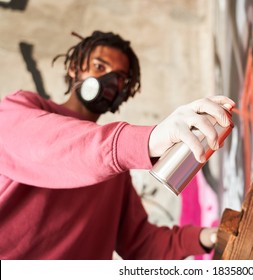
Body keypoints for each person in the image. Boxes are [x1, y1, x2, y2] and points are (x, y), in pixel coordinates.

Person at [0, 31, 234, 259]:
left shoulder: (115, 173)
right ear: (74, 68)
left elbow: (142, 244)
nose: (109, 81)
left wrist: (206, 237)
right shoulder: (17, 109)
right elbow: (56, 147)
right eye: (100, 67)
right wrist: (151, 139)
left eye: (119, 77)